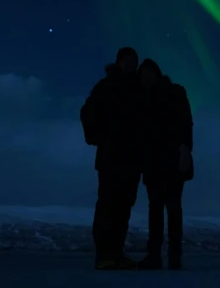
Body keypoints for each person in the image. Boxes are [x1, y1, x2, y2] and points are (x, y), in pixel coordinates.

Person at [80, 47, 143, 270]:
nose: (130, 64)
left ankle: (116, 253)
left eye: (133, 61)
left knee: (124, 206)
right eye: (126, 60)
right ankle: (104, 255)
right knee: (108, 204)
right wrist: (97, 137)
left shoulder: (140, 88)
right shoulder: (106, 86)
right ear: (119, 62)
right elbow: (87, 111)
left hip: (133, 158)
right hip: (111, 156)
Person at [136, 58, 194, 270]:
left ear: (157, 74)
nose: (146, 77)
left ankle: (173, 256)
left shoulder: (175, 92)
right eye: (143, 74)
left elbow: (186, 121)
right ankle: (155, 256)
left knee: (172, 207)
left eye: (149, 73)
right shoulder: (142, 98)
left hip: (171, 159)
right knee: (157, 208)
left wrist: (185, 149)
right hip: (152, 161)